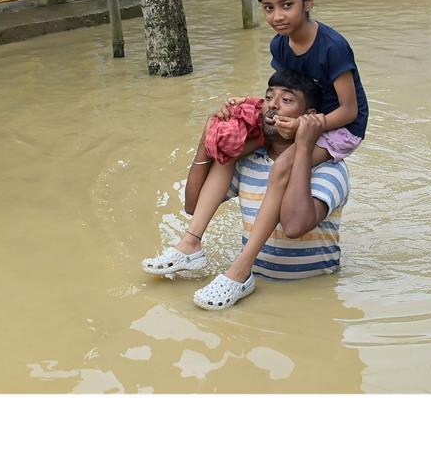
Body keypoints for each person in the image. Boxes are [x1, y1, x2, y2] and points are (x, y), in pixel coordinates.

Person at [141, 0, 368, 283]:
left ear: (309, 2)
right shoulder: (279, 43)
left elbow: (349, 111)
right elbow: (288, 87)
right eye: (268, 8)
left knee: (282, 167)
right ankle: (191, 242)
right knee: (231, 145)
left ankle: (240, 268)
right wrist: (247, 108)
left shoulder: (332, 47)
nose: (277, 16)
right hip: (304, 116)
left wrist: (304, 128)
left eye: (286, 6)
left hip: (340, 128)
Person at [144, 69, 351, 310]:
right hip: (249, 286)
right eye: (268, 97)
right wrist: (206, 141)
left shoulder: (330, 168)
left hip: (312, 295)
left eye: (286, 100)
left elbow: (295, 225)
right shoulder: (249, 160)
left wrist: (304, 146)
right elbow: (192, 205)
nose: (273, 106)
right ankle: (192, 247)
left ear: (309, 116)